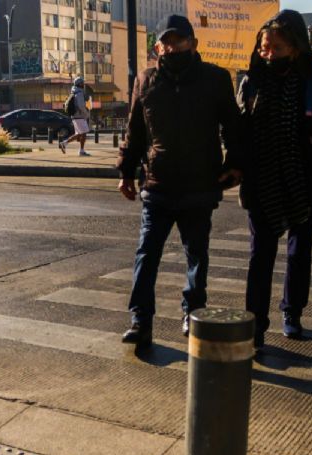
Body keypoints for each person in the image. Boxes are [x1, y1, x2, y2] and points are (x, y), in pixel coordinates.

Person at [116, 14, 244, 347]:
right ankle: (140, 320)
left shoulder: (215, 79)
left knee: (197, 256)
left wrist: (235, 164)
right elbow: (135, 131)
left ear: (193, 43)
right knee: (146, 254)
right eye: (166, 42)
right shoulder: (146, 80)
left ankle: (193, 311)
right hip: (158, 185)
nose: (172, 47)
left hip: (199, 186)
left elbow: (233, 126)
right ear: (158, 46)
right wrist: (126, 172)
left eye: (179, 41)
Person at [238, 10, 312, 349]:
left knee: (298, 249)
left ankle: (292, 311)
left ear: (296, 48)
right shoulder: (253, 79)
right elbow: (241, 128)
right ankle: (256, 325)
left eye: (277, 48)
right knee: (260, 253)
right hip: (262, 178)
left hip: (304, 177)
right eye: (265, 47)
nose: (269, 54)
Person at [59, 77, 91, 156]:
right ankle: (81, 151)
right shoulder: (79, 93)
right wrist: (86, 113)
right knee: (83, 133)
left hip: (75, 116)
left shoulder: (73, 92)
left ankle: (64, 143)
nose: (83, 84)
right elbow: (81, 106)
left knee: (80, 133)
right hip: (79, 116)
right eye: (82, 83)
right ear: (79, 84)